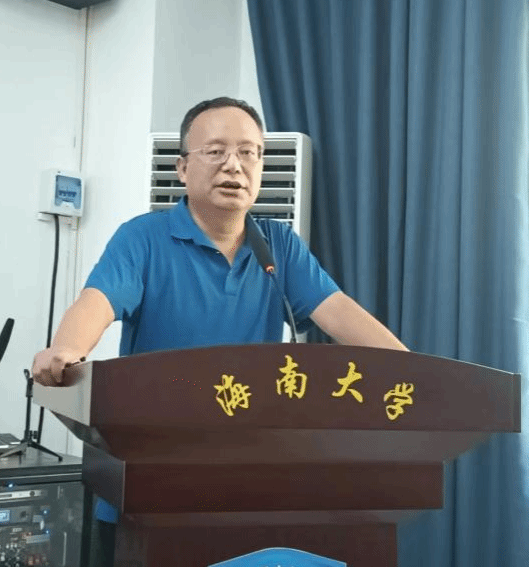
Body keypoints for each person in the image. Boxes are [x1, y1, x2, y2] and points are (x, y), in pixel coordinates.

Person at [32, 97, 406, 385]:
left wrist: (415, 372)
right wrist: (67, 349)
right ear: (182, 168)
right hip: (157, 437)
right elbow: (96, 302)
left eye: (248, 153)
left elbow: (339, 312)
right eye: (215, 152)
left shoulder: (278, 244)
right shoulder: (143, 237)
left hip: (248, 441)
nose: (233, 165)